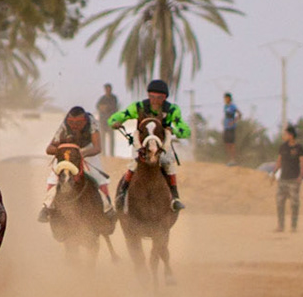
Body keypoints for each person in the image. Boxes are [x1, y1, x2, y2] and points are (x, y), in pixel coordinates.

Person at [109, 80, 189, 212]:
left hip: (162, 146)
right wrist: (115, 123)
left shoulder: (172, 110)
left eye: (159, 98)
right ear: (148, 95)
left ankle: (175, 198)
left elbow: (185, 130)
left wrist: (174, 131)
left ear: (165, 98)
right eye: (152, 97)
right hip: (141, 144)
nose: (155, 101)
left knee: (168, 163)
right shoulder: (138, 107)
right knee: (134, 164)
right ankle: (122, 195)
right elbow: (114, 118)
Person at [37, 106, 114, 221]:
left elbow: (97, 148)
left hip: (86, 151)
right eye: (71, 122)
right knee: (53, 178)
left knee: (98, 177)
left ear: (84, 121)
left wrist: (81, 153)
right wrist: (64, 151)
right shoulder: (64, 126)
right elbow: (49, 149)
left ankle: (107, 208)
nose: (74, 126)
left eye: (78, 123)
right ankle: (47, 207)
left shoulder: (92, 123)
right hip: (68, 154)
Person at [274, 124, 303, 233]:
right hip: (283, 179)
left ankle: (293, 226)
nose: (284, 136)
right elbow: (279, 161)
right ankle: (280, 226)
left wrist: (301, 176)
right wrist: (274, 173)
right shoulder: (283, 147)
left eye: (286, 134)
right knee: (280, 202)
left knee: (294, 204)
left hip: (293, 179)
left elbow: (302, 162)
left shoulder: (299, 148)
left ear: (291, 135)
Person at [96, 83, 120, 158]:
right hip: (103, 121)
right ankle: (103, 154)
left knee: (111, 139)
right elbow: (98, 106)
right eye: (106, 89)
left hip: (111, 121)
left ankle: (111, 155)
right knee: (102, 139)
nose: (108, 90)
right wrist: (103, 108)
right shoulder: (102, 98)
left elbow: (114, 107)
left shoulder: (113, 98)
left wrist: (106, 108)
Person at [222, 93, 240, 165]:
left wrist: (233, 121)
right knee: (227, 143)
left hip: (231, 127)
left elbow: (239, 114)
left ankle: (233, 159)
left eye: (226, 98)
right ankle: (228, 159)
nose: (225, 100)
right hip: (226, 127)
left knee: (232, 144)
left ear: (229, 98)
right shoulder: (225, 106)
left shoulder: (233, 106)